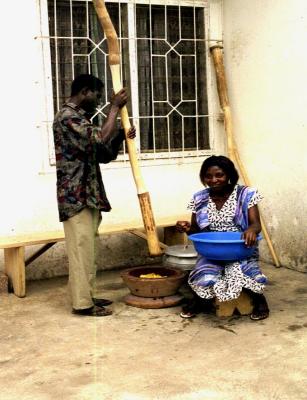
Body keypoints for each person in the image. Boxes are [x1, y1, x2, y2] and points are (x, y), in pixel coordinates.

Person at [53, 74, 136, 317]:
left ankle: (87, 295)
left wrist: (120, 135)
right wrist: (114, 108)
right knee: (81, 251)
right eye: (97, 96)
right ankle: (83, 304)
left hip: (89, 195)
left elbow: (102, 153)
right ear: (85, 91)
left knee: (88, 251)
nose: (99, 101)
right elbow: (98, 137)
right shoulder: (67, 117)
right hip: (75, 197)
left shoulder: (81, 118)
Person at [176, 155, 269, 321]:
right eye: (208, 176)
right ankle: (200, 301)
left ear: (229, 176)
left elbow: (256, 224)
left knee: (241, 272)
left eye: (219, 175)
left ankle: (259, 300)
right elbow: (196, 232)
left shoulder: (246, 194)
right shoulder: (199, 198)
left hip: (241, 248)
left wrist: (251, 230)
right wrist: (187, 228)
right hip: (212, 251)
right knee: (204, 274)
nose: (214, 180)